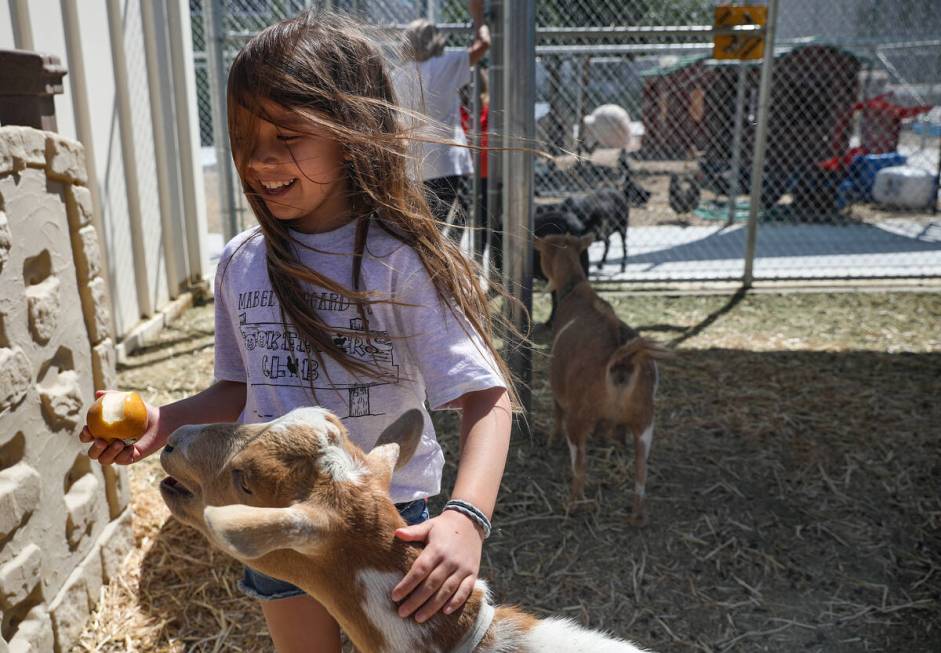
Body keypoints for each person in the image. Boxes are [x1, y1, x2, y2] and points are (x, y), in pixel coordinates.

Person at [79, 10, 517, 653]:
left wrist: (467, 518)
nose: (260, 159)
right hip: (275, 517)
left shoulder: (402, 262)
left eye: (287, 134)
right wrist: (162, 423)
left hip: (389, 523)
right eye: (245, 136)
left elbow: (488, 396)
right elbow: (237, 387)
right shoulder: (240, 262)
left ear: (353, 133)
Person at [397, 0, 490, 238]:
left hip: (413, 166)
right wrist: (478, 16)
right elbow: (483, 45)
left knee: (420, 230)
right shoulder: (444, 65)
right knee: (443, 227)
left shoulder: (398, 74)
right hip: (446, 162)